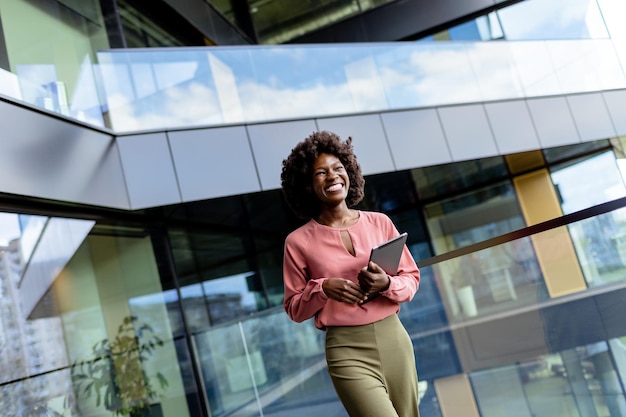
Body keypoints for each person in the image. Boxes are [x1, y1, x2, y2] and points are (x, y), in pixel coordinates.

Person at [280, 130, 421, 417]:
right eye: (321, 173)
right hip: (346, 350)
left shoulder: (380, 222)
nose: (332, 176)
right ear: (307, 186)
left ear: (349, 174)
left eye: (338, 169)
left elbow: (411, 279)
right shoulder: (297, 242)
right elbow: (294, 308)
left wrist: (386, 283)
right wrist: (323, 289)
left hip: (394, 337)